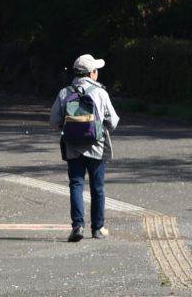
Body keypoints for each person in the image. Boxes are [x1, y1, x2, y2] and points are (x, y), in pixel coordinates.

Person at [51, 54, 120, 242]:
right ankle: (98, 228)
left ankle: (77, 226)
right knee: (97, 187)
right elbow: (113, 121)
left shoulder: (65, 92)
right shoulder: (100, 93)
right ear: (92, 73)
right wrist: (99, 129)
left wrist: (69, 129)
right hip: (97, 146)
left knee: (76, 185)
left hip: (73, 146)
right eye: (96, 70)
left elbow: (54, 120)